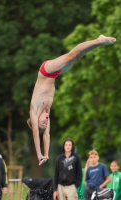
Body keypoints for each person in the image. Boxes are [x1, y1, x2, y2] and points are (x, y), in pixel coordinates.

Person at [27, 34, 116, 165]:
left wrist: (39, 154)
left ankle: (100, 40)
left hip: (46, 71)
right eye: (45, 124)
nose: (45, 122)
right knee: (77, 57)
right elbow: (46, 135)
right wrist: (46, 154)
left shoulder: (34, 111)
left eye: (42, 123)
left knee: (72, 55)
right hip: (55, 74)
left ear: (35, 120)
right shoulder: (47, 112)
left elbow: (36, 133)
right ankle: (98, 41)